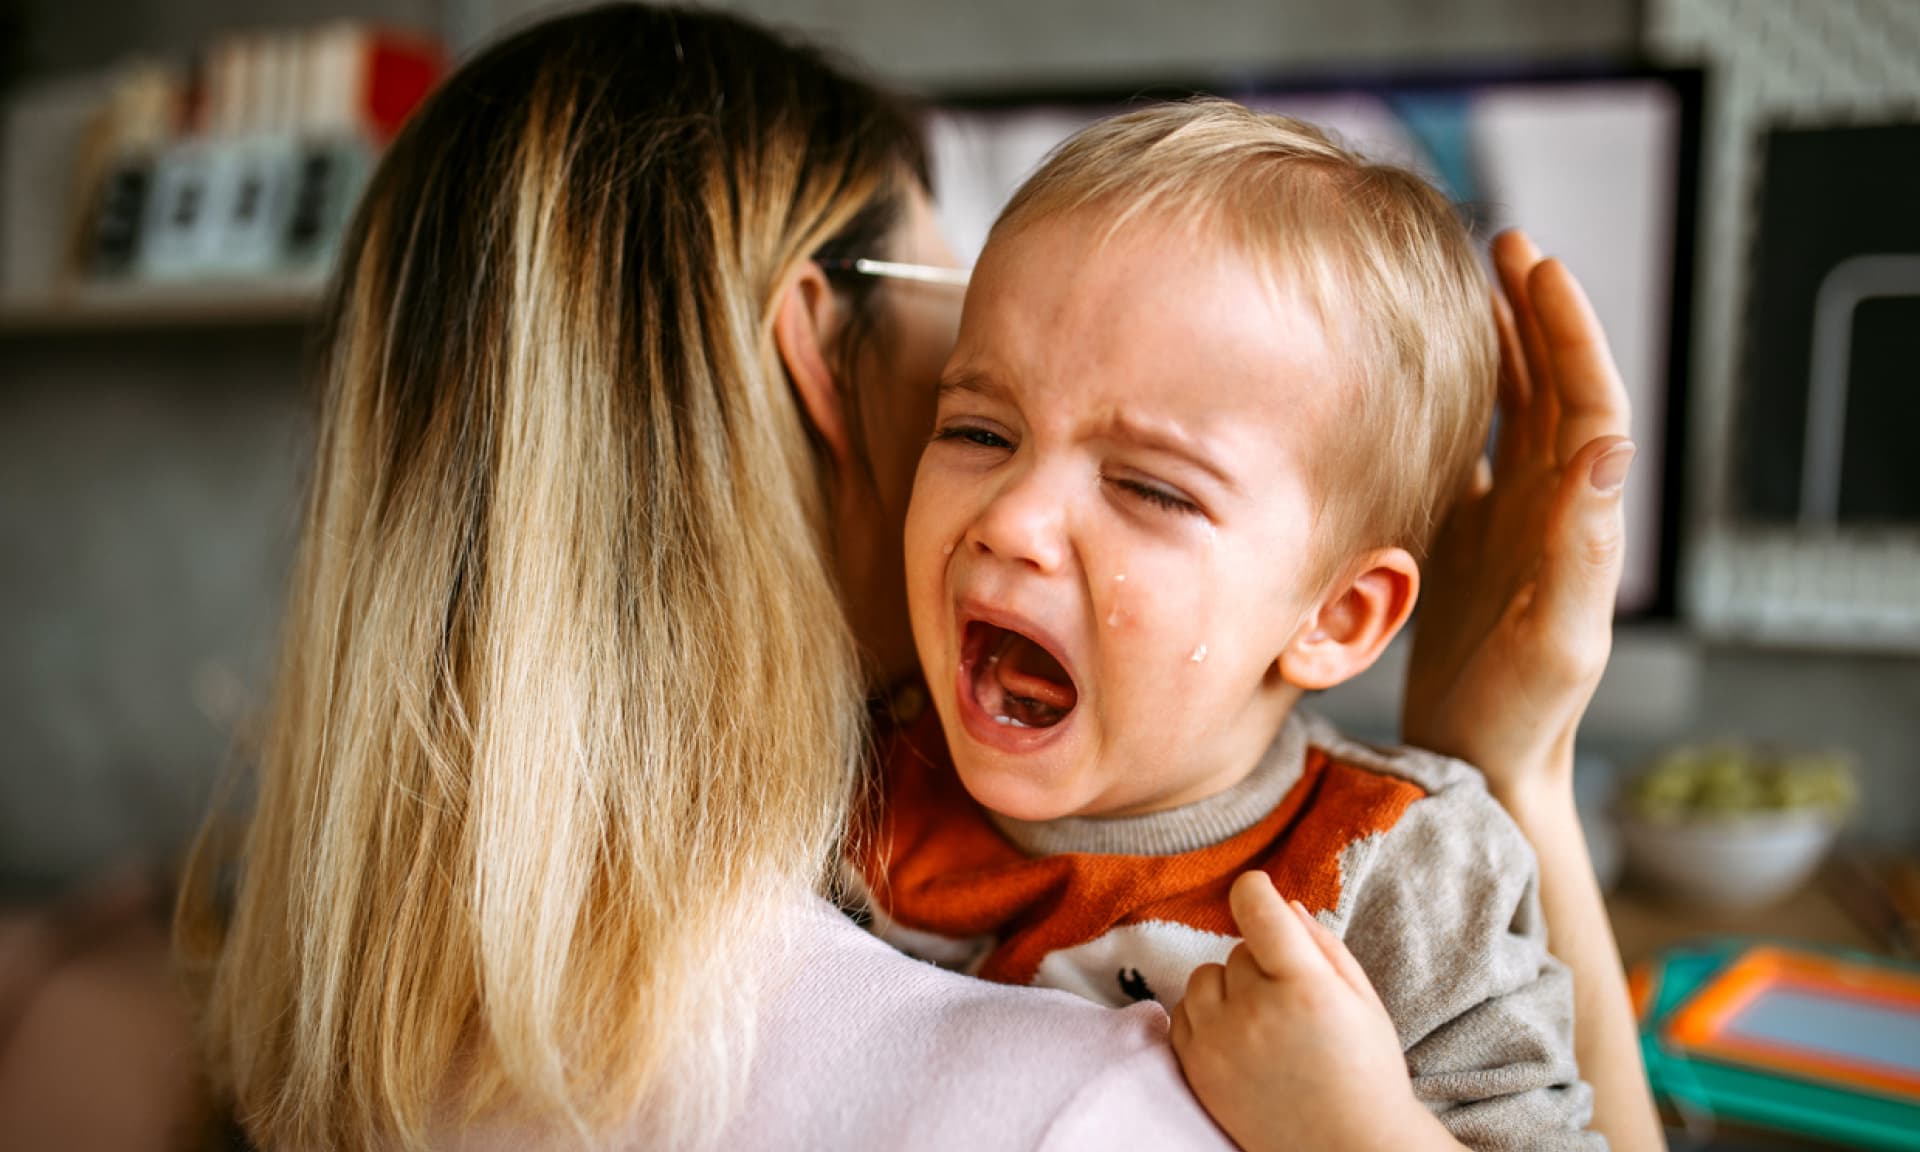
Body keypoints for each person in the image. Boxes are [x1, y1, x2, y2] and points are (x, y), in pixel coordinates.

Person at [0, 5, 1656, 1150]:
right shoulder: (1111, 1091)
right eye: (979, 396)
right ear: (815, 349)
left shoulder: (372, 962)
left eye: (1149, 477)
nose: (1019, 516)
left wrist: (1486, 773)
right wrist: (1525, 764)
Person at [852, 100, 1614, 1150]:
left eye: (1150, 489)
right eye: (980, 430)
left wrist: (1356, 1130)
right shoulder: (849, 788)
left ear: (1337, 618)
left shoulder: (1400, 869)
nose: (1012, 520)